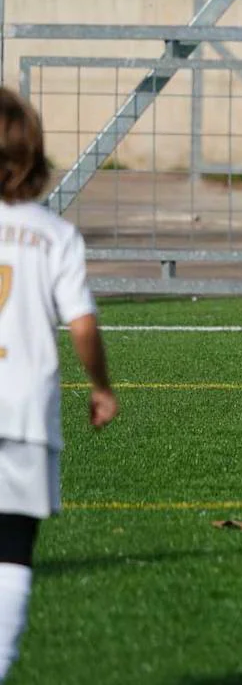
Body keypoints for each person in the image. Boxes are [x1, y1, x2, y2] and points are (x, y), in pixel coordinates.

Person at [0, 88, 117, 680]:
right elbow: (83, 325)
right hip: (21, 414)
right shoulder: (54, 236)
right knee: (12, 551)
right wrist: (101, 387)